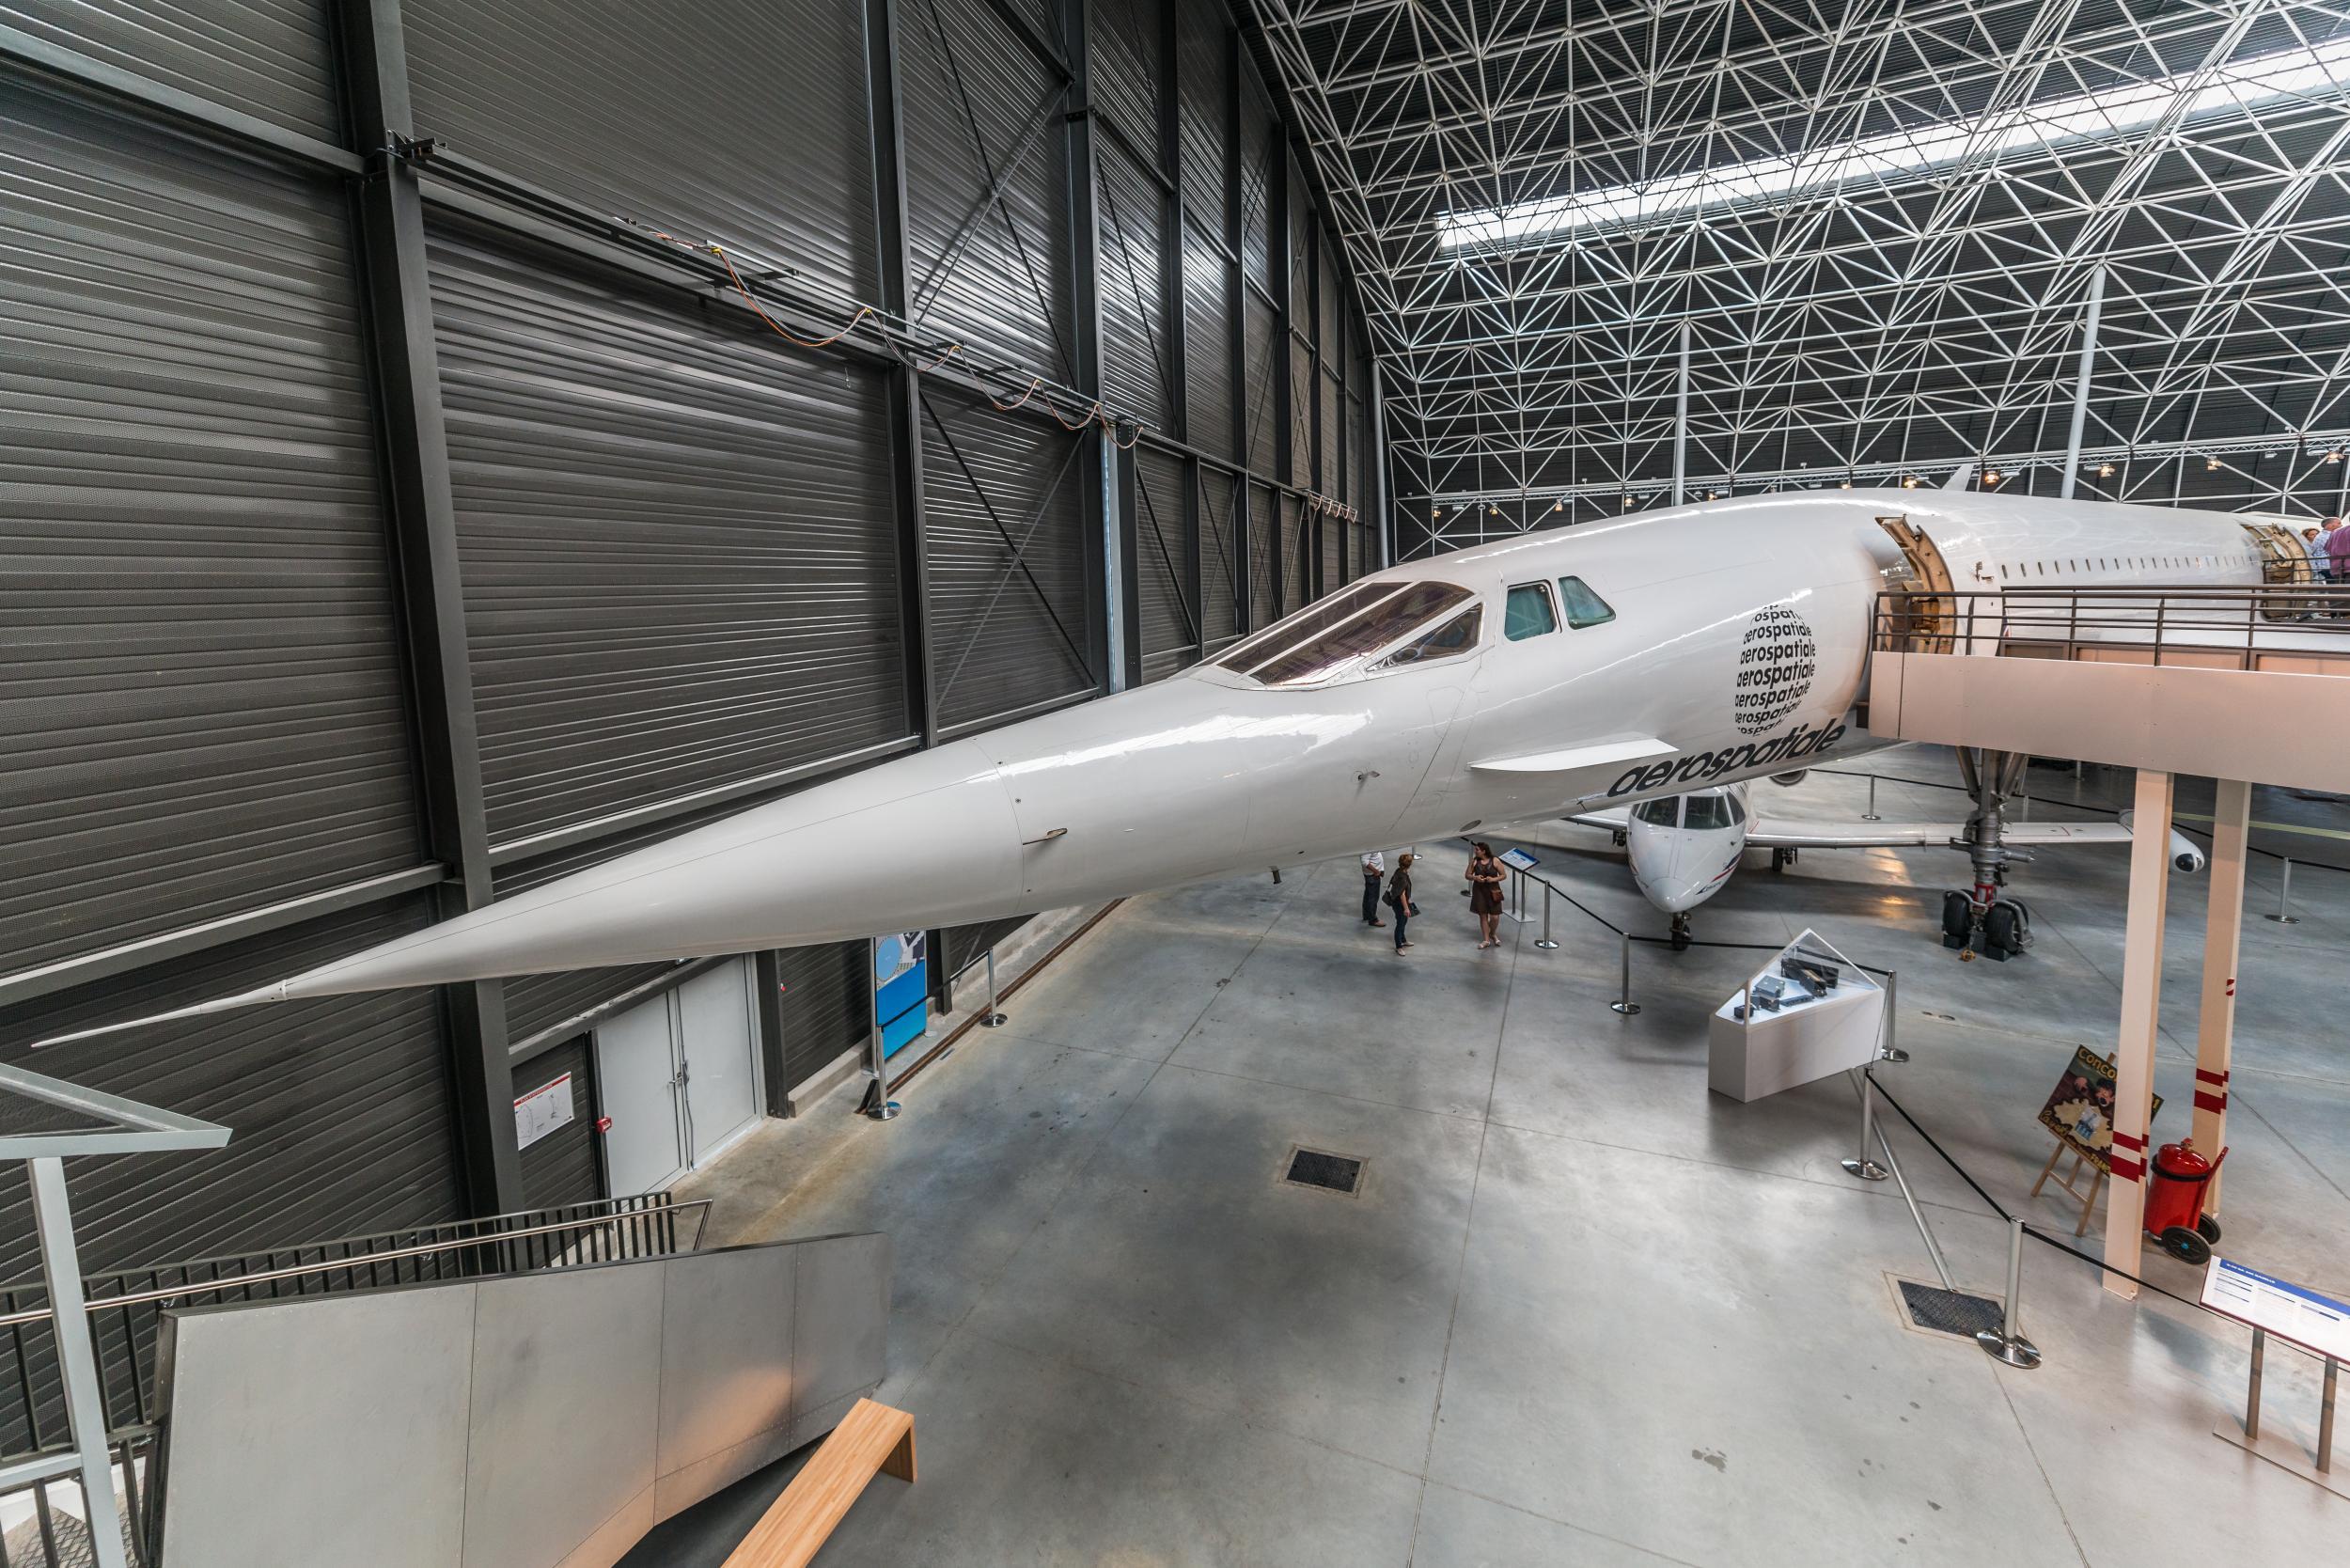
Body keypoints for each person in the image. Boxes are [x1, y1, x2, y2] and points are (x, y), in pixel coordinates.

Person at [1466, 841, 1506, 948]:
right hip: (1479, 891)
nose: (1475, 851)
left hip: (1493, 890)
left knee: (1495, 917)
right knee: (1483, 915)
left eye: (1477, 850)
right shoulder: (1475, 861)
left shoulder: (1495, 860)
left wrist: (1493, 879)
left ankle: (1492, 933)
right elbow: (1467, 875)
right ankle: (1486, 939)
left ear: (1483, 851)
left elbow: (1503, 875)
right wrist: (1475, 878)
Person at [1386, 853, 1417, 953]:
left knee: (1403, 922)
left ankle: (1403, 940)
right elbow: (1402, 894)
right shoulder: (1403, 878)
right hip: (1399, 904)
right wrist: (1406, 908)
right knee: (1400, 924)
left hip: (1397, 902)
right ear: (1409, 865)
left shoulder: (1399, 871)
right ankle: (1399, 946)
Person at [1360, 849, 1386, 928]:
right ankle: (1373, 920)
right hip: (1373, 875)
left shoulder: (1370, 843)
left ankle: (1367, 915)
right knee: (1373, 897)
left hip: (1372, 875)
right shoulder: (1367, 846)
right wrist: (1376, 871)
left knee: (1368, 895)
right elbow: (1364, 861)